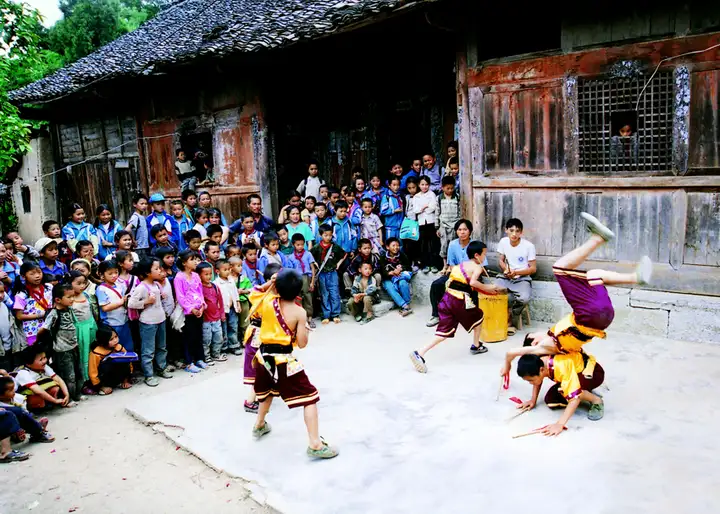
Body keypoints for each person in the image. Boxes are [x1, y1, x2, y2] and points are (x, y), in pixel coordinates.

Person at [500, 212, 652, 372]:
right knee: (559, 269)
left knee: (594, 275)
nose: (538, 333)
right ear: (534, 342)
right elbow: (512, 352)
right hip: (590, 315)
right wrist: (507, 365)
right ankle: (598, 238)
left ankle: (635, 277)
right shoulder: (545, 346)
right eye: (534, 335)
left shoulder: (559, 341)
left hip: (603, 318)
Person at [250, 269, 338, 459]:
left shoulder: (267, 302)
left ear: (277, 287)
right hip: (283, 360)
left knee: (267, 392)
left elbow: (254, 293)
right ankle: (315, 443)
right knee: (310, 397)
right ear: (299, 291)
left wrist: (269, 284)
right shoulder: (300, 312)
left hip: (263, 357)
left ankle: (259, 424)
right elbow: (302, 343)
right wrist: (305, 329)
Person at [409, 241, 505, 373]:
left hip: (447, 298)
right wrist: (492, 287)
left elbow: (464, 284)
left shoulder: (461, 265)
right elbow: (473, 283)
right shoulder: (478, 267)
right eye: (484, 254)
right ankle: (476, 346)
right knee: (479, 315)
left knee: (444, 332)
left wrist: (487, 290)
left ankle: (420, 352)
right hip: (459, 301)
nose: (485, 257)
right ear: (477, 255)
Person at [515, 352, 606, 436]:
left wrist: (559, 424)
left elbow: (575, 398)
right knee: (551, 400)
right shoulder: (539, 362)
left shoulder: (560, 367)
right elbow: (537, 380)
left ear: (541, 370)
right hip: (574, 373)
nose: (531, 383)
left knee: (572, 393)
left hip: (592, 373)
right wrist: (533, 400)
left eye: (531, 380)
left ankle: (596, 400)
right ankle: (585, 390)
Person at [426, 220, 484, 328]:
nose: (462, 232)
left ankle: (469, 316)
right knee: (436, 285)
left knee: (470, 288)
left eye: (465, 229)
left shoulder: (476, 245)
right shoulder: (452, 244)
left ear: (470, 231)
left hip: (472, 276)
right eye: (459, 230)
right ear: (456, 231)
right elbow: (451, 265)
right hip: (456, 274)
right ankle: (436, 315)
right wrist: (457, 275)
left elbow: (481, 265)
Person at [242, 263, 282, 413]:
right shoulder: (261, 295)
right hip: (257, 336)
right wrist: (270, 283)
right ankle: (250, 401)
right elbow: (256, 290)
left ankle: (263, 393)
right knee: (258, 369)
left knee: (267, 366)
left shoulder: (278, 297)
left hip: (268, 336)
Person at [128, 257, 174, 386]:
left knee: (162, 346)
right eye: (156, 269)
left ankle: (161, 368)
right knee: (148, 350)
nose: (160, 271)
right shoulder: (141, 287)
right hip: (148, 322)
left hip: (161, 319)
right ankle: (148, 375)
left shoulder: (157, 284)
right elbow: (131, 303)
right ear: (148, 272)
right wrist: (147, 301)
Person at [36, 283, 83, 401]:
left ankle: (77, 394)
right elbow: (44, 329)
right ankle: (68, 398)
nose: (72, 299)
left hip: (73, 346)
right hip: (62, 349)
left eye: (73, 296)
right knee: (68, 374)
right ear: (58, 299)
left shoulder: (69, 309)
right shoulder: (54, 313)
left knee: (78, 372)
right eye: (69, 297)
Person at [495, 218, 537, 334]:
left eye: (517, 231)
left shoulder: (529, 246)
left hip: (522, 278)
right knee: (493, 292)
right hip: (506, 277)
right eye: (511, 230)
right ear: (506, 230)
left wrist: (516, 273)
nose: (514, 234)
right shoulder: (503, 242)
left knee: (524, 298)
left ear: (521, 232)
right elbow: (500, 261)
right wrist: (506, 269)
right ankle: (498, 318)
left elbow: (533, 269)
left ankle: (512, 317)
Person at [173, 250, 206, 372]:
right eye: (192, 260)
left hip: (199, 309)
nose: (196, 262)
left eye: (196, 259)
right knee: (188, 338)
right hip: (187, 312)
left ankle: (199, 359)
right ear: (184, 263)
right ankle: (188, 362)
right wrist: (191, 309)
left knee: (198, 336)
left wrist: (202, 305)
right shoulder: (179, 277)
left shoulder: (196, 276)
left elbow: (200, 292)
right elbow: (180, 297)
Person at [14, 345, 72, 411]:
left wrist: (66, 395)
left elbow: (58, 379)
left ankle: (47, 403)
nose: (44, 361)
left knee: (54, 387)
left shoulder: (44, 366)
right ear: (29, 364)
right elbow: (38, 391)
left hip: (35, 390)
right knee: (38, 397)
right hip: (17, 396)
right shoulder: (23, 373)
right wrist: (55, 401)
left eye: (44, 357)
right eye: (41, 359)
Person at [0, 375, 54, 445]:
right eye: (10, 390)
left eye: (13, 388)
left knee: (25, 414)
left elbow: (24, 412)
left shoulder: (18, 398)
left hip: (22, 419)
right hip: (10, 424)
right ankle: (37, 429)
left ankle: (37, 429)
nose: (13, 391)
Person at [84, 324, 134, 395]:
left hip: (116, 376)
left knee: (125, 360)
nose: (115, 340)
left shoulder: (119, 347)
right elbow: (93, 372)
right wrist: (100, 386)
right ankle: (101, 387)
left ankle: (123, 381)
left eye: (116, 337)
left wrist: (126, 379)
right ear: (103, 341)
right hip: (103, 378)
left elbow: (129, 363)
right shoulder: (96, 353)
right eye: (111, 339)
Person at [311, 225, 346, 325]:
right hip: (322, 274)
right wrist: (315, 264)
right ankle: (326, 315)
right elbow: (310, 257)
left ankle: (335, 314)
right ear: (321, 235)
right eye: (325, 235)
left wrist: (338, 263)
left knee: (334, 293)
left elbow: (344, 254)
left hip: (332, 272)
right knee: (324, 294)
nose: (328, 237)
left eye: (330, 235)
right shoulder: (316, 247)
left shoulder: (334, 247)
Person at [13, 261, 53, 347]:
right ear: (23, 276)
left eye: (39, 272)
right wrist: (40, 315)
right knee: (37, 355)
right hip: (32, 330)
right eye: (32, 274)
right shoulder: (21, 295)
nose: (37, 276)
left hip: (50, 326)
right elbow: (19, 316)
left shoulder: (49, 287)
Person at [97, 260, 134, 352]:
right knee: (115, 348)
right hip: (111, 324)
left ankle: (129, 364)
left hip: (123, 321)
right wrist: (121, 302)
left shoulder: (119, 284)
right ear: (102, 275)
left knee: (127, 346)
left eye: (116, 272)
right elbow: (105, 308)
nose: (114, 275)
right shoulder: (101, 289)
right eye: (110, 273)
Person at [68, 271, 97, 383]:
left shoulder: (85, 295)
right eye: (78, 283)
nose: (82, 286)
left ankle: (94, 376)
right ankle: (85, 380)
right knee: (83, 355)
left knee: (92, 353)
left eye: (84, 283)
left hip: (91, 326)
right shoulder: (69, 299)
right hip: (79, 330)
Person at [285, 234, 316, 329]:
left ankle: (310, 317)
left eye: (302, 244)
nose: (300, 247)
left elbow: (312, 268)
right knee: (298, 298)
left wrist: (312, 281)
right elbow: (290, 270)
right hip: (296, 278)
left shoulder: (308, 254)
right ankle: (301, 319)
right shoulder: (290, 257)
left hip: (306, 277)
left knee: (308, 297)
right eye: (298, 245)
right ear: (293, 244)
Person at [197, 262, 226, 365]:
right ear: (199, 275)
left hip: (216, 318)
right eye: (206, 274)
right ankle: (207, 356)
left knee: (218, 337)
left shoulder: (215, 286)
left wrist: (222, 314)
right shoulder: (199, 288)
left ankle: (216, 354)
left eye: (210, 274)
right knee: (206, 339)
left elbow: (220, 301)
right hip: (206, 320)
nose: (209, 276)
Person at [213, 259, 241, 356]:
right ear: (217, 271)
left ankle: (234, 345)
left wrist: (238, 303)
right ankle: (224, 347)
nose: (228, 271)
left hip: (233, 308)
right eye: (225, 270)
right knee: (223, 328)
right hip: (223, 309)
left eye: (229, 269)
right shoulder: (216, 283)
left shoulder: (231, 280)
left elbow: (235, 293)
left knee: (233, 326)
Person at [379, 238, 413, 316]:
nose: (396, 247)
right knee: (388, 285)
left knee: (403, 283)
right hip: (388, 278)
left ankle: (407, 304)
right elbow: (381, 271)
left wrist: (401, 269)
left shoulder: (402, 255)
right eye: (393, 245)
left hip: (400, 277)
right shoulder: (382, 258)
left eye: (397, 245)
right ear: (387, 247)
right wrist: (389, 273)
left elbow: (409, 267)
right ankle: (404, 306)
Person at [413, 175, 439, 273]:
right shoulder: (416, 196)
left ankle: (434, 265)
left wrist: (423, 209)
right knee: (423, 245)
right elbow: (415, 210)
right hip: (421, 223)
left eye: (426, 184)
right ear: (419, 185)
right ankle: (425, 265)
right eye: (422, 184)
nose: (424, 187)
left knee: (432, 244)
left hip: (431, 222)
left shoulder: (432, 194)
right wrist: (423, 207)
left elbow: (432, 208)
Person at [437, 175, 461, 273]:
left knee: (453, 245)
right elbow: (437, 212)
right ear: (442, 187)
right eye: (448, 188)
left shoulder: (457, 197)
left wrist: (459, 225)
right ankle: (445, 266)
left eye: (452, 188)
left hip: (454, 225)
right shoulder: (439, 198)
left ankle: (452, 266)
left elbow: (460, 211)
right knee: (444, 245)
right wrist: (437, 227)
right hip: (443, 225)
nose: (450, 190)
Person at [401, 177, 420, 267]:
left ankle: (416, 261)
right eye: (409, 188)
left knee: (415, 242)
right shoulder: (406, 197)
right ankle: (408, 262)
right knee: (407, 242)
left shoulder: (420, 196)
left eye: (413, 187)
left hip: (416, 222)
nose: (411, 190)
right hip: (408, 221)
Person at [380, 176, 404, 241]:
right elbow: (383, 211)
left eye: (398, 185)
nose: (396, 187)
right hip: (390, 227)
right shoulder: (387, 197)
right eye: (394, 185)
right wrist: (394, 211)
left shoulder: (400, 196)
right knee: (390, 244)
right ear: (389, 185)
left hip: (400, 227)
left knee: (400, 245)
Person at [125, 194, 149, 258]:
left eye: (146, 204)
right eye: (142, 204)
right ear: (135, 204)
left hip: (144, 247)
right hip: (139, 248)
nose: (144, 206)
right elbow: (127, 229)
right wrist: (133, 241)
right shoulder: (135, 217)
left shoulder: (142, 217)